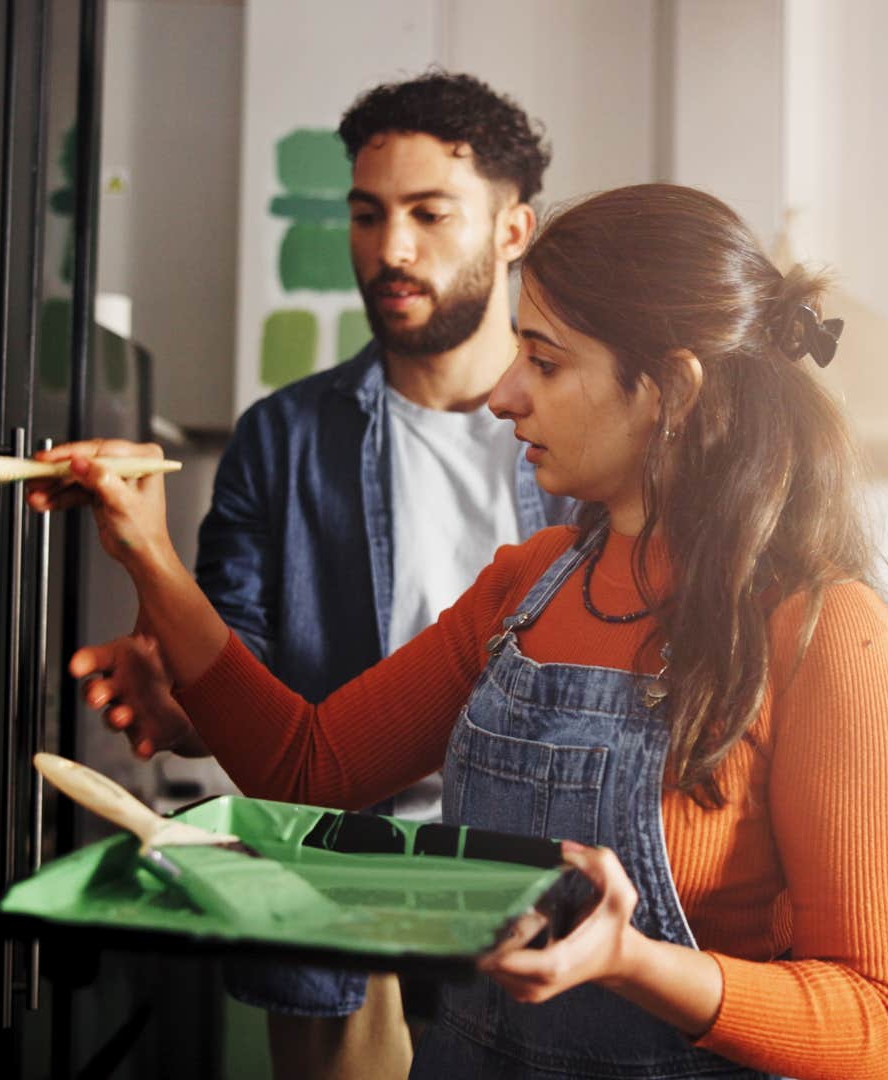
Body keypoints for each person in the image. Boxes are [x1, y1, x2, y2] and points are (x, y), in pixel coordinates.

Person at [32, 184, 888, 1079]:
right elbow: (307, 767)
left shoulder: (823, 633)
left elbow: (873, 1022)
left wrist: (634, 963)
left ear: (672, 391)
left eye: (544, 361)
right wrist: (148, 553)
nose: (504, 396)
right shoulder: (526, 585)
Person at [88, 71, 571, 1078]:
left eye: (430, 214)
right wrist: (178, 698)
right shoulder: (283, 438)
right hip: (334, 894)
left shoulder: (576, 444)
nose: (390, 250)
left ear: (513, 231)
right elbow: (235, 670)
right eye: (367, 214)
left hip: (537, 897)